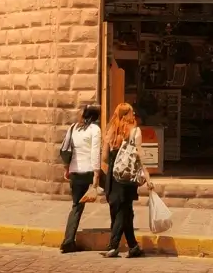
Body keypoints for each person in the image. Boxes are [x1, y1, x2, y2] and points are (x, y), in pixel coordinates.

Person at [100, 103, 152, 259]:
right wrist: (146, 175)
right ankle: (113, 246)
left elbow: (104, 158)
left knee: (122, 212)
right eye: (132, 112)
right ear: (128, 115)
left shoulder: (110, 132)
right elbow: (140, 155)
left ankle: (133, 246)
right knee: (124, 213)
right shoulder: (135, 131)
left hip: (112, 177)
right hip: (126, 178)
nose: (134, 115)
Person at [59, 104, 101, 254]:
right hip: (88, 171)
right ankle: (116, 236)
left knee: (76, 206)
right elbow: (95, 153)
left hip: (75, 172)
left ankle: (68, 240)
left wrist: (67, 169)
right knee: (112, 195)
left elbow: (66, 149)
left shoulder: (73, 128)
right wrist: (96, 175)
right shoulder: (95, 130)